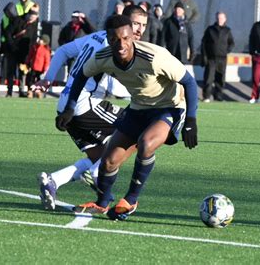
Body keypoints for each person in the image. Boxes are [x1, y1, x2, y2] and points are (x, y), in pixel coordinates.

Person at [55, 14, 199, 220]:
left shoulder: (155, 57)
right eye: (115, 40)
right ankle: (101, 204)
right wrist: (69, 108)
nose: (121, 44)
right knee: (109, 161)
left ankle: (131, 200)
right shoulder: (103, 57)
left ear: (132, 37)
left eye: (125, 38)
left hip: (170, 107)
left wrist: (191, 121)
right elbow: (81, 76)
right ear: (108, 38)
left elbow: (190, 82)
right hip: (138, 109)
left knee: (146, 143)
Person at [33, 6, 149, 211]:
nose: (139, 30)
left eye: (143, 25)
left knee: (99, 155)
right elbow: (116, 88)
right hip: (83, 104)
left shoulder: (97, 36)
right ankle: (96, 174)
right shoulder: (115, 47)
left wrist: (48, 78)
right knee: (140, 131)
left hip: (66, 105)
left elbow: (63, 51)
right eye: (136, 24)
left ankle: (53, 181)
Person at [4, 4, 39, 97]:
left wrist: (31, 53)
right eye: (31, 17)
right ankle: (9, 91)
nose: (32, 19)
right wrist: (12, 45)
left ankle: (21, 90)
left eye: (34, 18)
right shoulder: (18, 20)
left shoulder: (34, 25)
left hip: (24, 52)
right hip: (12, 50)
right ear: (28, 15)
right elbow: (8, 33)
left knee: (23, 72)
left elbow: (33, 39)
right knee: (11, 71)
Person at [201, 11, 235, 102]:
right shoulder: (210, 29)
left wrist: (226, 51)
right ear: (216, 18)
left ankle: (218, 97)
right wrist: (204, 56)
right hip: (211, 58)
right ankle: (206, 96)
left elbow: (231, 43)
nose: (220, 20)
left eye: (221, 18)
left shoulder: (227, 30)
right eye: (218, 18)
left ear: (225, 19)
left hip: (222, 59)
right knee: (209, 78)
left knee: (220, 78)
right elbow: (204, 43)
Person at [25, 34, 51, 99]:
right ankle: (30, 92)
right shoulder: (34, 47)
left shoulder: (46, 50)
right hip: (33, 67)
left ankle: (39, 93)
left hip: (40, 69)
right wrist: (27, 63)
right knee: (30, 80)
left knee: (39, 82)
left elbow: (47, 61)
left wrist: (45, 69)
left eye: (41, 40)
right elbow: (30, 56)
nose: (39, 40)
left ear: (45, 42)